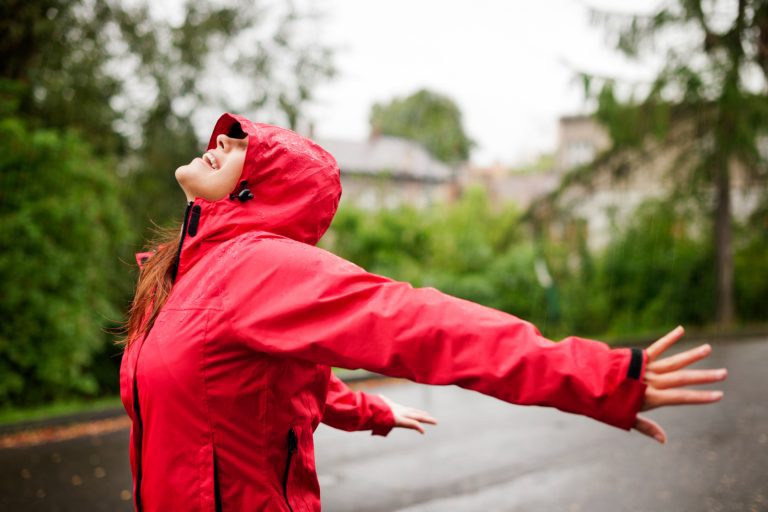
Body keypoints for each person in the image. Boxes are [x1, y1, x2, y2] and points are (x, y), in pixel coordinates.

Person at [120, 113, 727, 512]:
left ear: (262, 187)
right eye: (222, 137)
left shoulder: (258, 269)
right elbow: (260, 381)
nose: (219, 142)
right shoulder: (178, 274)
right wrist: (369, 409)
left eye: (239, 145)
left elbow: (422, 324)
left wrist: (598, 378)